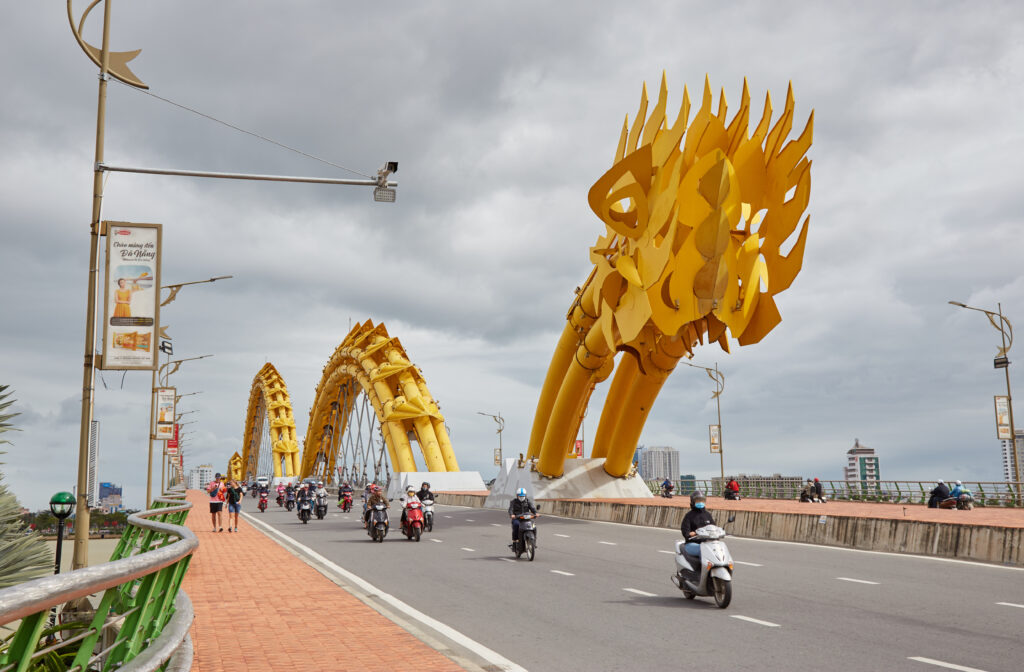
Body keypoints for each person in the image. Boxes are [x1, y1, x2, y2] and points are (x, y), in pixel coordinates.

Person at [680, 491, 715, 559]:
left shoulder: (707, 515)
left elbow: (713, 527)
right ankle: (701, 569)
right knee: (703, 550)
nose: (700, 502)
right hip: (692, 543)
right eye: (698, 501)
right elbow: (685, 531)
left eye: (702, 501)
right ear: (693, 502)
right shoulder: (689, 516)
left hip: (707, 543)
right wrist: (690, 534)